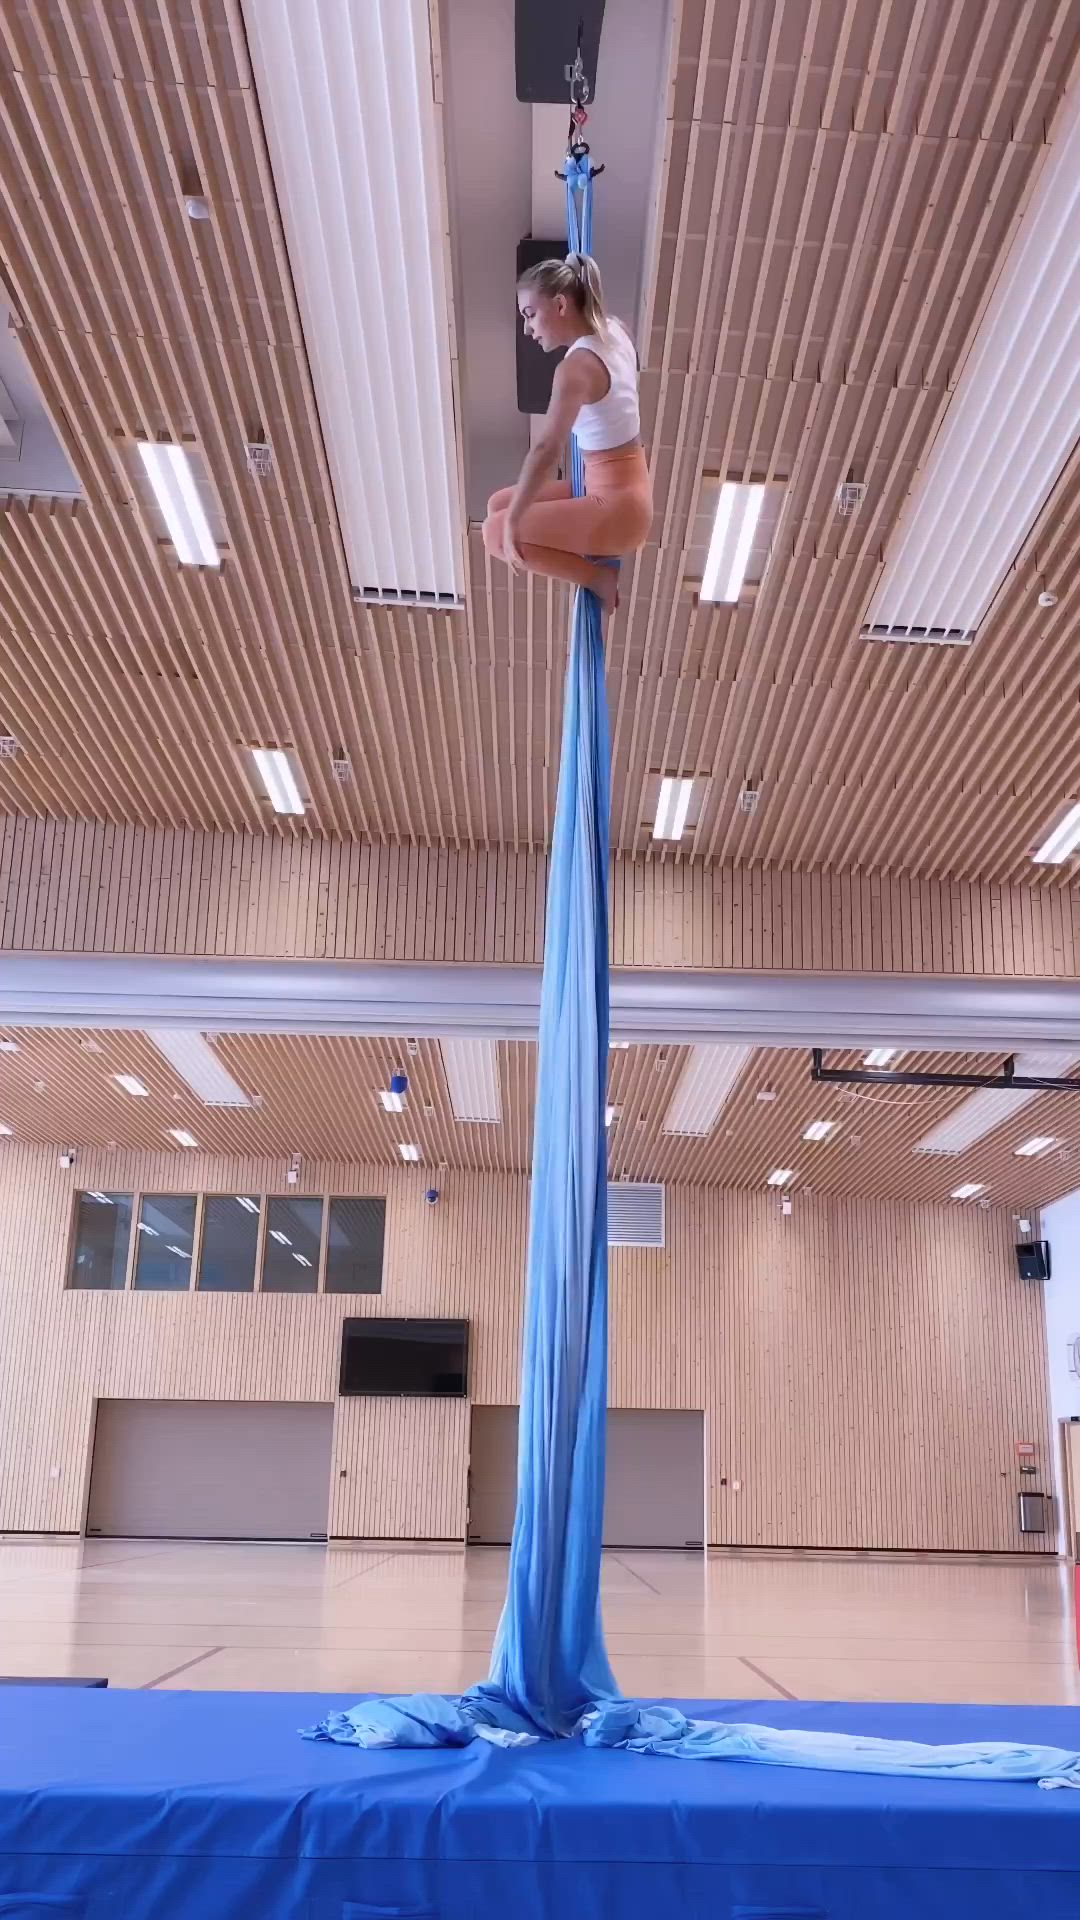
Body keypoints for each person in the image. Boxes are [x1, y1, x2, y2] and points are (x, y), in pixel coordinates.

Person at [482, 251, 652, 617]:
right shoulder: (614, 328)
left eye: (530, 315)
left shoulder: (575, 369)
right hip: (614, 486)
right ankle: (578, 545)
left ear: (560, 304)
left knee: (497, 532)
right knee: (497, 505)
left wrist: (515, 522)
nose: (527, 330)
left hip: (619, 509)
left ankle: (597, 577)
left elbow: (547, 449)